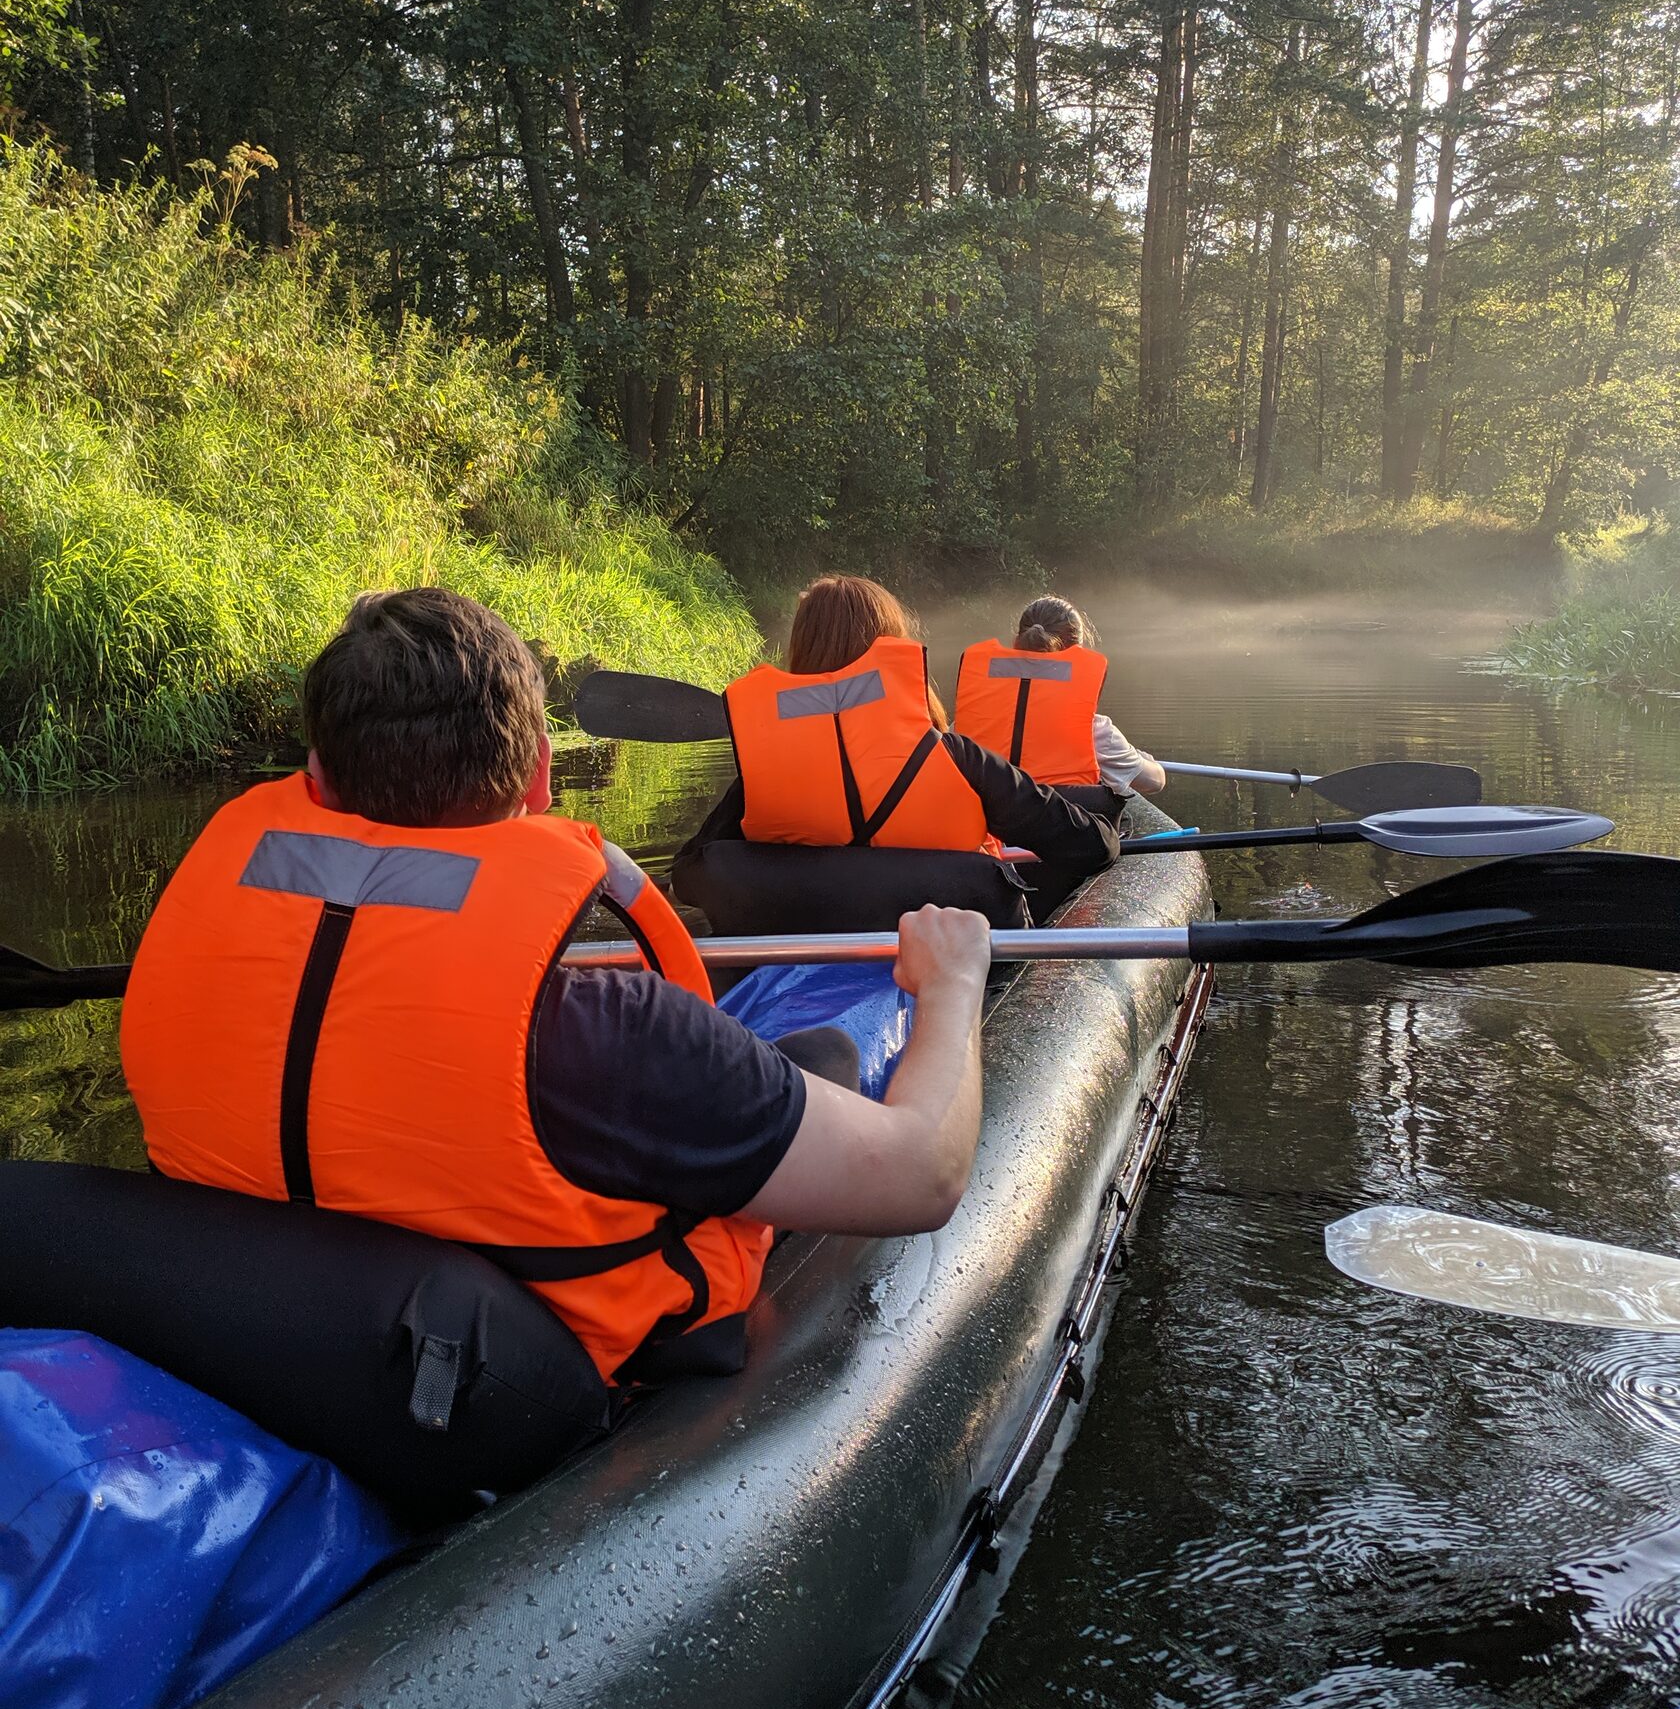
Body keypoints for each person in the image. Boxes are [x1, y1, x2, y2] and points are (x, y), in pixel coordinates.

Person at [119, 587, 994, 1391]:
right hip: (508, 1385)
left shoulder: (192, 956)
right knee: (830, 1053)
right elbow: (922, 1177)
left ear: (317, 775)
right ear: (540, 773)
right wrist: (952, 981)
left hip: (255, 1316)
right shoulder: (606, 1034)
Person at [672, 575, 1124, 922]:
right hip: (944, 955)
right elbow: (1094, 846)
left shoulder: (762, 775)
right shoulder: (954, 757)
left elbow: (687, 879)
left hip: (802, 953)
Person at [954, 595, 1166, 806]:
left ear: (1016, 642)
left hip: (984, 836)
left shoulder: (967, 722)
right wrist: (1145, 760)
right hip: (1059, 835)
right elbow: (1155, 781)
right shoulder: (1095, 731)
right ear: (1078, 651)